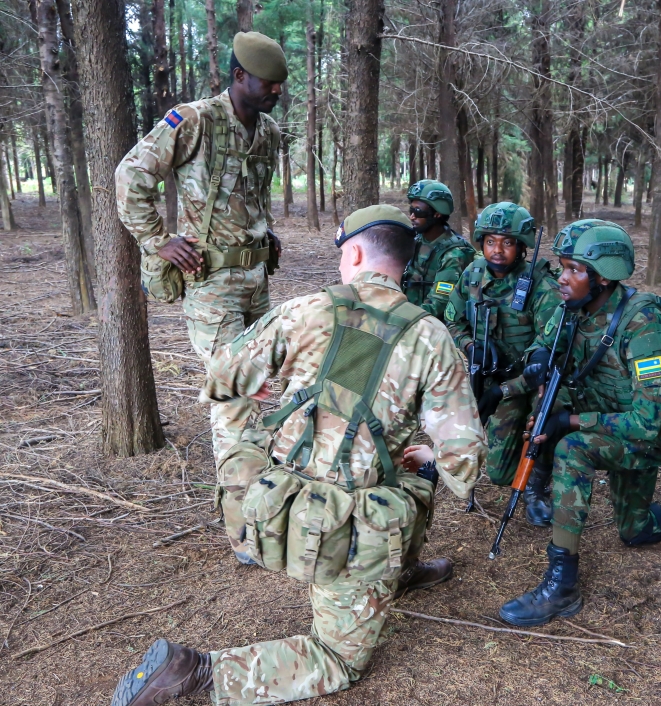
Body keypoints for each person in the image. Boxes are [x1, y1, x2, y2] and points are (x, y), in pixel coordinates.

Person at [109, 205, 487, 706]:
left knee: (398, 471)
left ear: (352, 252)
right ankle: (195, 673)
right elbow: (465, 461)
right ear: (405, 262)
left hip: (283, 498)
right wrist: (433, 454)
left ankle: (398, 571)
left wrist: (263, 387)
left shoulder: (304, 310)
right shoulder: (431, 336)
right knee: (339, 659)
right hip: (352, 525)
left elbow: (221, 374)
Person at [497, 220, 661, 627]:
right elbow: (546, 345)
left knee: (573, 448)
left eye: (573, 269)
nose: (562, 278)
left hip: (653, 433)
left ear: (603, 276)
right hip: (609, 414)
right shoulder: (571, 306)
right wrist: (531, 365)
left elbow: (646, 422)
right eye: (562, 266)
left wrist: (569, 421)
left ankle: (562, 584)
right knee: (635, 529)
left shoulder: (641, 326)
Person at [116, 32, 286, 563]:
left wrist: (265, 235)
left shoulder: (271, 132)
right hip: (209, 285)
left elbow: (252, 199)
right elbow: (130, 174)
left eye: (281, 86)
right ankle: (243, 528)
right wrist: (157, 239)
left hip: (256, 282)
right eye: (267, 84)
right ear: (239, 76)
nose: (275, 93)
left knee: (260, 389)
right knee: (234, 396)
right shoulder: (192, 121)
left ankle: (264, 499)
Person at [444, 202, 563, 525]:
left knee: (541, 428)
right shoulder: (472, 275)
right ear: (481, 242)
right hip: (493, 377)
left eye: (508, 242)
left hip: (533, 380)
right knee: (497, 471)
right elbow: (453, 320)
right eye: (491, 241)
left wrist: (504, 391)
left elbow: (549, 348)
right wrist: (470, 347)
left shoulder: (540, 284)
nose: (498, 250)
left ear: (522, 247)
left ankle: (538, 489)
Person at [402, 179, 477, 320]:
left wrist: (399, 318)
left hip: (436, 329)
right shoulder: (415, 240)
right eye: (411, 210)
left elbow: (438, 304)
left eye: (418, 212)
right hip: (411, 320)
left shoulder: (454, 254)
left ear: (437, 214)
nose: (412, 216)